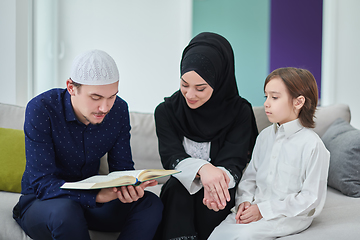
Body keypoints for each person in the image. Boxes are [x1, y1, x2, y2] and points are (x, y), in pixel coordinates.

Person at [12, 49, 163, 240]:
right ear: (71, 87)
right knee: (66, 212)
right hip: (44, 202)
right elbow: (43, 184)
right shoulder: (42, 109)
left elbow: (122, 168)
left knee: (150, 204)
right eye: (96, 98)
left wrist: (128, 188)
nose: (105, 107)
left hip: (92, 204)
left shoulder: (118, 110)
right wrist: (96, 196)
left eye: (111, 96)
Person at [153, 32, 258, 240]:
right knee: (177, 187)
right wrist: (203, 168)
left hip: (221, 195)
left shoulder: (239, 112)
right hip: (179, 195)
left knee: (216, 196)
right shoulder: (166, 111)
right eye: (184, 85)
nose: (190, 95)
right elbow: (171, 158)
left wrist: (214, 181)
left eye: (200, 88)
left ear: (219, 81)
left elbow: (234, 162)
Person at [208, 67, 330, 240]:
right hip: (256, 207)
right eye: (266, 96)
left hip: (289, 216)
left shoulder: (312, 145)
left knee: (243, 237)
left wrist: (264, 211)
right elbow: (250, 177)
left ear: (298, 102)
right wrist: (244, 201)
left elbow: (311, 198)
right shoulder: (264, 136)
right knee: (217, 234)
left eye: (274, 97)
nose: (266, 103)